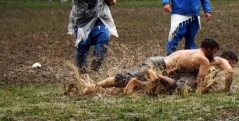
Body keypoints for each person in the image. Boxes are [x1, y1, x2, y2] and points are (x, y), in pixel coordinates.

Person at [82, 38, 220, 94]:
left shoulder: (191, 52)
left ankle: (93, 87)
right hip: (159, 67)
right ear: (208, 50)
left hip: (156, 61)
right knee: (177, 89)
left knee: (129, 76)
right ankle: (153, 76)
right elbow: (200, 82)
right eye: (214, 52)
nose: (214, 55)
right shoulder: (204, 60)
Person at [66, 0, 118, 74]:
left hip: (99, 18)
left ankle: (94, 70)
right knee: (83, 46)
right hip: (83, 20)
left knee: (104, 38)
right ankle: (82, 74)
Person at [123, 50, 239, 95]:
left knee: (161, 88)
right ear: (228, 59)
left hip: (177, 70)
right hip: (185, 75)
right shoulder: (221, 61)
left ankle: (134, 84)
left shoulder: (209, 61)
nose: (233, 66)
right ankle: (154, 75)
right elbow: (230, 72)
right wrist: (226, 89)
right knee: (177, 90)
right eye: (233, 63)